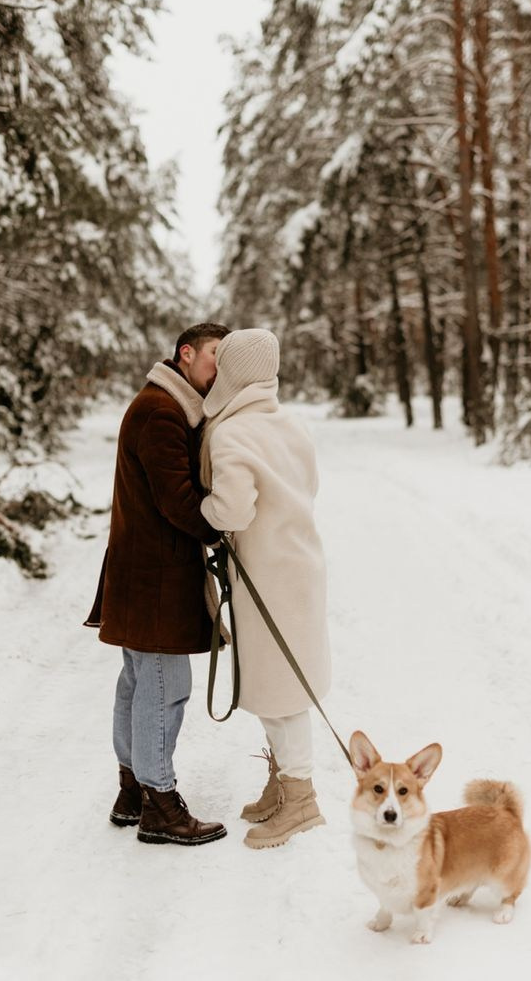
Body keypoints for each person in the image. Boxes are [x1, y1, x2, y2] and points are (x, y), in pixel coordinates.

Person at [87, 322, 230, 846]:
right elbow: (178, 501)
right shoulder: (162, 412)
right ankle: (160, 804)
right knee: (166, 688)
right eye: (216, 356)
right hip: (157, 578)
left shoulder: (164, 406)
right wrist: (219, 528)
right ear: (186, 354)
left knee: (139, 682)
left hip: (142, 571)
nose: (222, 368)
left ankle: (132, 791)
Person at [199, 328, 331, 849]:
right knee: (283, 683)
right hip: (300, 567)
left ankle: (301, 800)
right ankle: (282, 783)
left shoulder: (234, 433)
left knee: (282, 693)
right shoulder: (291, 424)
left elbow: (231, 510)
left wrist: (202, 513)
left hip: (267, 577)